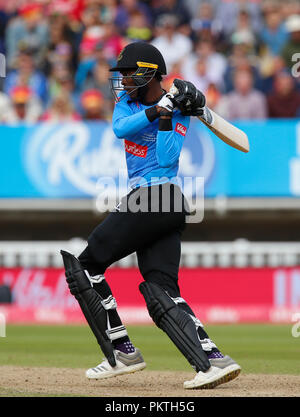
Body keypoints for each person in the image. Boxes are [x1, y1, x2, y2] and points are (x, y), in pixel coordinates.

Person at [61, 41, 241, 389]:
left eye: (129, 73)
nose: (123, 79)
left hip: (159, 195)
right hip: (161, 205)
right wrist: (158, 107)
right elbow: (119, 129)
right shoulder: (125, 104)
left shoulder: (178, 111)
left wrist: (169, 113)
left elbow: (167, 153)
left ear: (148, 73)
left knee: (85, 266)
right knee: (161, 288)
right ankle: (212, 360)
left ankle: (121, 351)